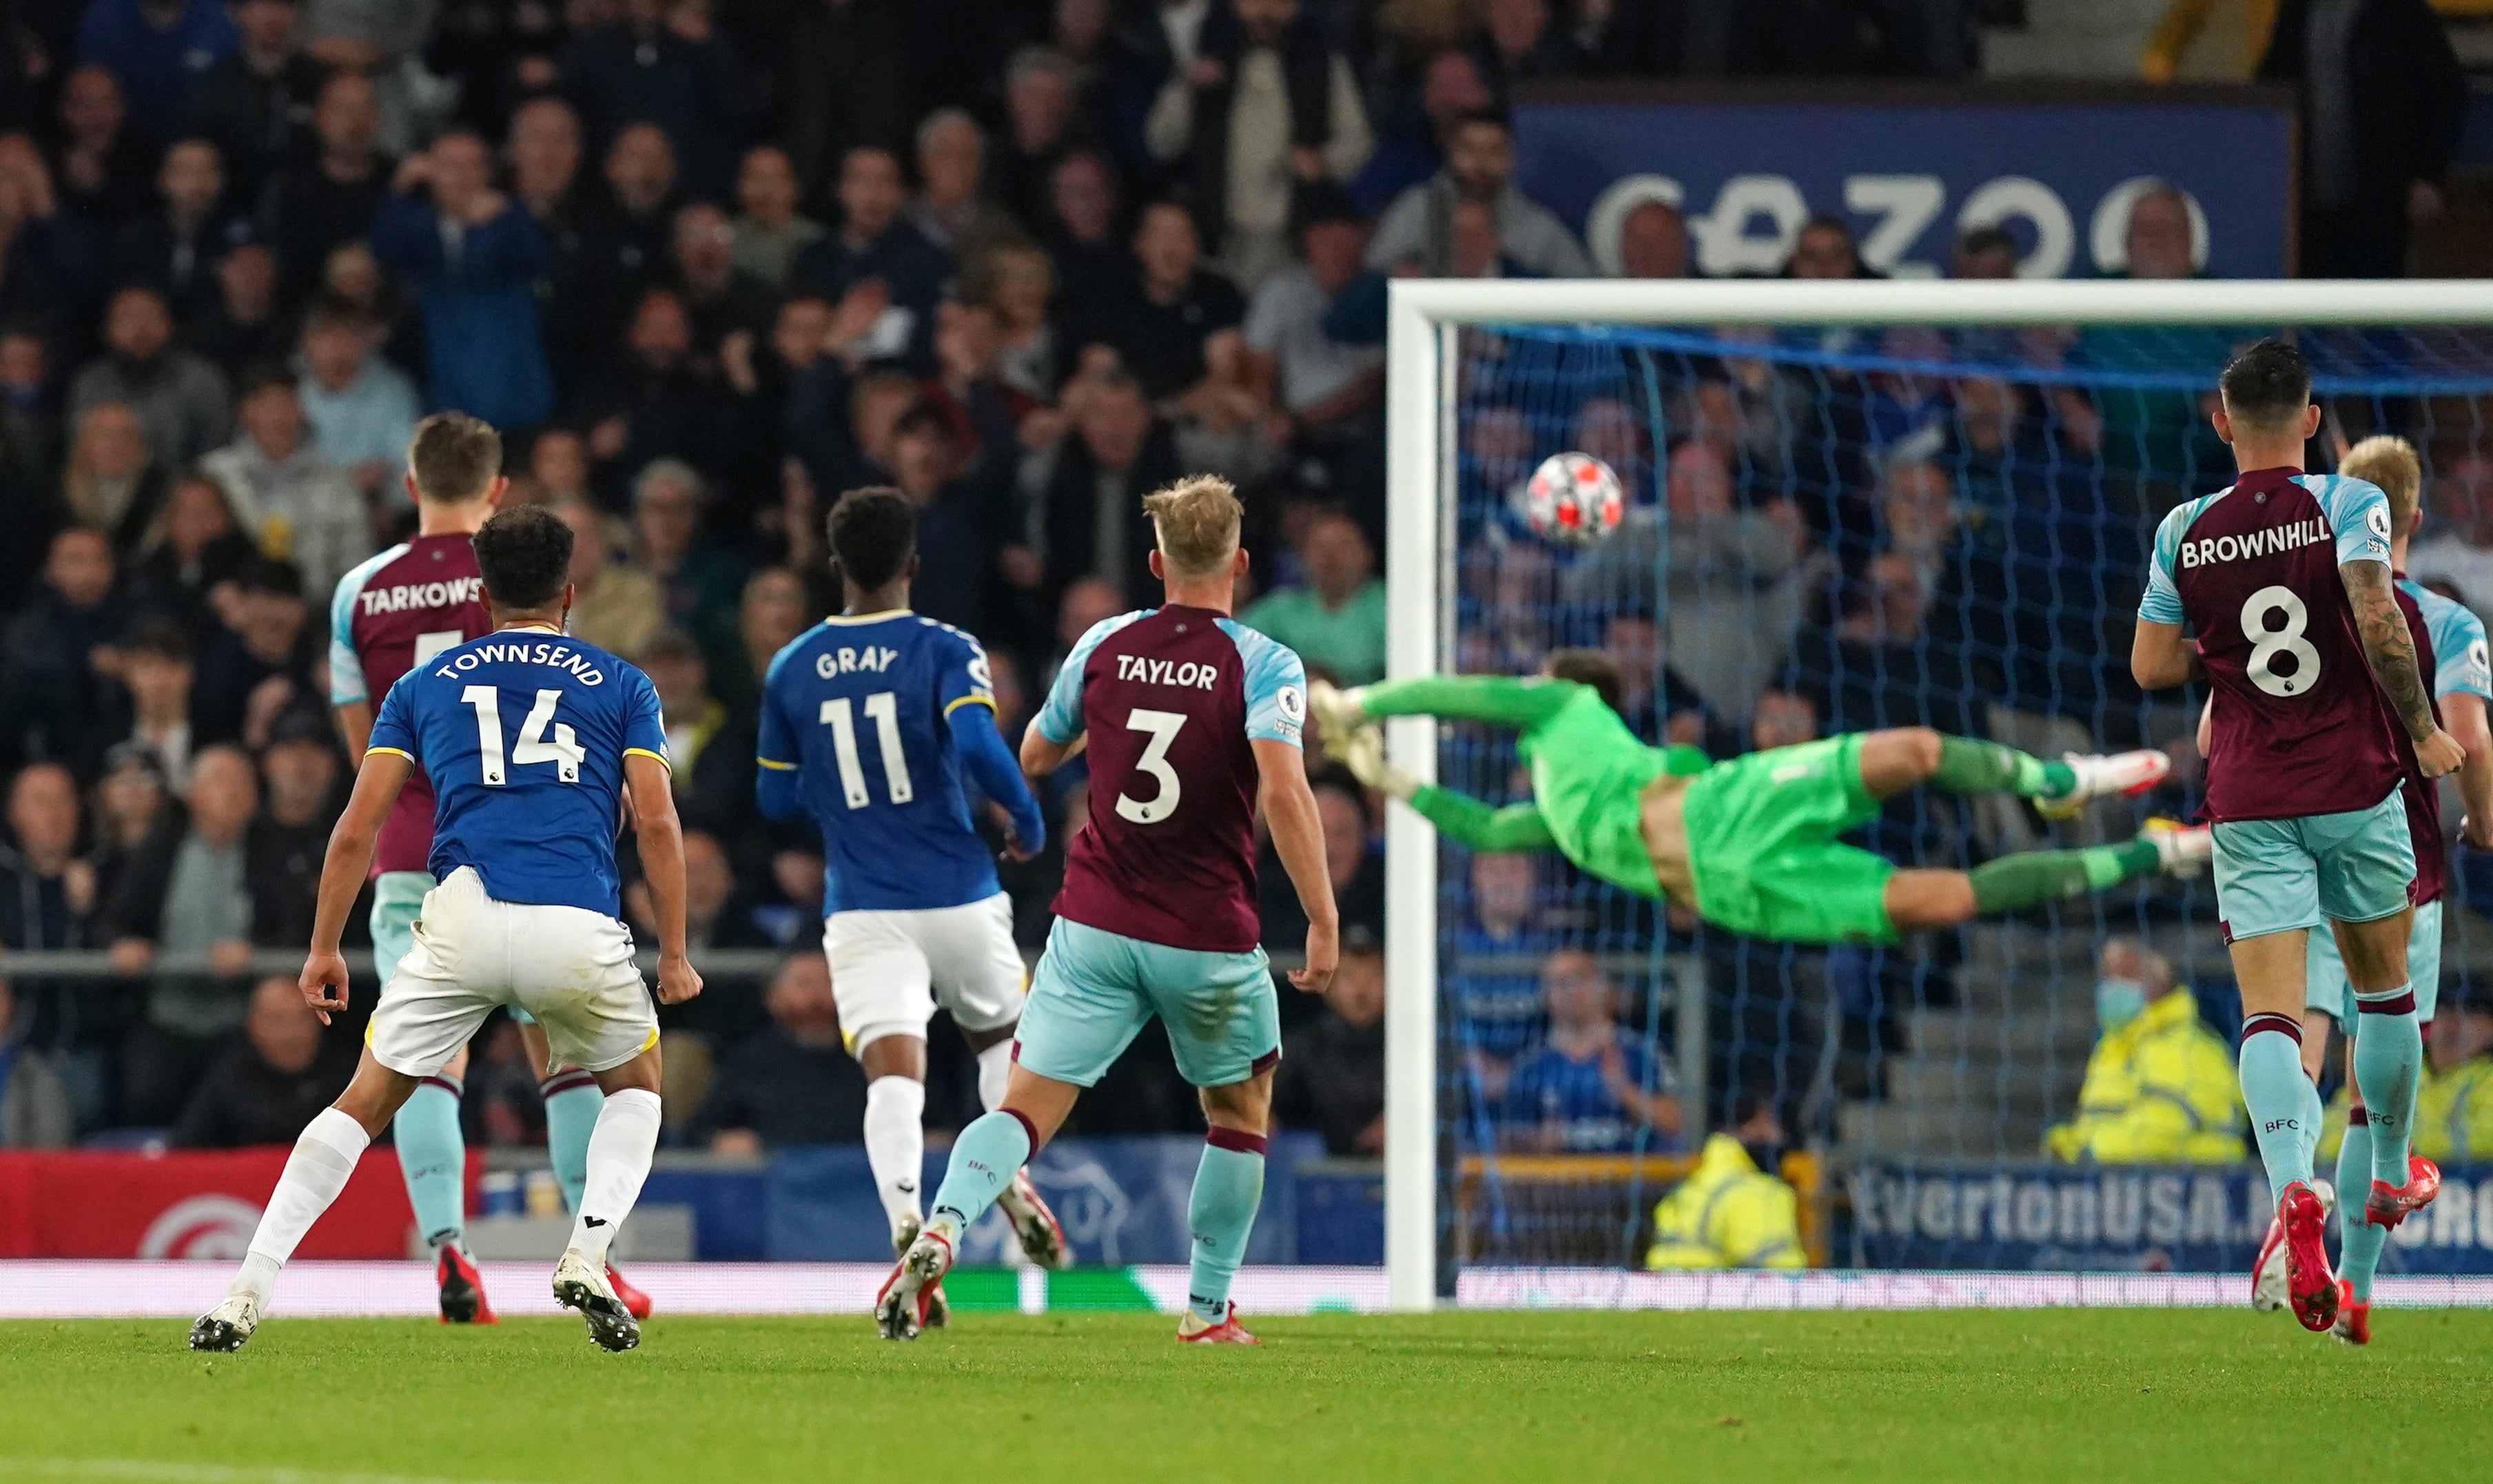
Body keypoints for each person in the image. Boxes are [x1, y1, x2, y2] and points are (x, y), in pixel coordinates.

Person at [189, 503, 702, 1355]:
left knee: (363, 1101)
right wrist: (675, 953)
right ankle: (587, 1250)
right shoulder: (622, 683)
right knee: (638, 1086)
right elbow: (656, 823)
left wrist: (323, 947)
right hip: (575, 922)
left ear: (485, 594)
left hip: (460, 915)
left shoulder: (424, 686)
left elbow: (357, 826)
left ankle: (246, 1289)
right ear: (569, 593)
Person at [880, 475, 1337, 1346]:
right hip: (1205, 934)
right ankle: (1206, 1313)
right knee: (1237, 1115)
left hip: (1093, 923)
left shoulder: (1104, 643)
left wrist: (1111, 726)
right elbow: (1284, 789)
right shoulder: (1266, 662)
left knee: (1023, 1109)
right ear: (1239, 561)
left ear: (1157, 561)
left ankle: (942, 1226)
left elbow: (1038, 753)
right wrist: (1321, 916)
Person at [2131, 338, 2462, 1334]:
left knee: (2270, 1016)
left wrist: (2218, 642)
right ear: (2312, 421)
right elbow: (2375, 613)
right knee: (2382, 992)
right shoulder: (2346, 504)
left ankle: (2292, 1191)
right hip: (2355, 786)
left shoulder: (2182, 527)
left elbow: (2149, 667)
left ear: (2220, 421)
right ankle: (2391, 1167)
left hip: (2249, 794)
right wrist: (2422, 729)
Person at [324, 414, 644, 1326]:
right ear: (498, 488)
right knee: (571, 1055)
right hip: (535, 848)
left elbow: (368, 751)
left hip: (410, 855)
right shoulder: (515, 567)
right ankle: (596, 1260)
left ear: (410, 483)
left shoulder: (361, 589)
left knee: (423, 1058)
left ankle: (447, 1250)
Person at [1318, 653, 2198, 947]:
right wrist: (1392, 781)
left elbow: (1458, 694)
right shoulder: (1552, 809)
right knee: (1948, 899)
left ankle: (2057, 782)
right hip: (1737, 892)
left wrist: (1366, 702)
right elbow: (1482, 827)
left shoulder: (1561, 705)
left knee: (1917, 750)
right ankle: (2157, 851)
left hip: (1724, 812)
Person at [756, 487, 1066, 1291]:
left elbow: (773, 801)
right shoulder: (944, 647)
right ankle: (1003, 1177)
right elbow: (977, 743)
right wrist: (1028, 818)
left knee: (894, 1072)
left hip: (862, 902)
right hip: (958, 888)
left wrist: (833, 797)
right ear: (912, 566)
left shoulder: (792, 667)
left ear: (835, 569)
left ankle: (903, 1212)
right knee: (1002, 1042)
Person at [2246, 434, 2493, 1340]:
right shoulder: (2444, 620)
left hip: (2285, 841)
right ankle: (2352, 1286)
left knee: (2292, 1037)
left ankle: (2289, 1204)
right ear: (2413, 519)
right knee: (2373, 1074)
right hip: (2397, 866)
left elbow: (2208, 728)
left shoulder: (2293, 608)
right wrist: (2485, 816)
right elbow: (2466, 731)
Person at [2043, 938, 2244, 1164]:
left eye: (2127, 974)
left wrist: (2091, 1154)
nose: (2113, 986)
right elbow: (2095, 1124)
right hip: (2124, 1183)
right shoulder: (2114, 1047)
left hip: (2199, 1186)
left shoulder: (2183, 1043)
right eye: (2107, 976)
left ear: (2162, 979)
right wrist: (2065, 1147)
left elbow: (2165, 1125)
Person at [1499, 949, 1676, 1153]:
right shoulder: (1529, 1066)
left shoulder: (1643, 1052)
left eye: (1578, 979)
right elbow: (1506, 1145)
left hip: (1637, 1181)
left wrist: (1625, 1091)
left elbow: (1677, 1123)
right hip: (1556, 1182)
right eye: (1558, 983)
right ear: (1546, 996)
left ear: (1603, 987)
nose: (1570, 991)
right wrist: (1537, 1143)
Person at [167, 973, 350, 1148]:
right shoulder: (230, 1079)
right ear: (252, 1026)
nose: (290, 1034)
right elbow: (185, 1151)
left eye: (302, 1019)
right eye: (276, 1020)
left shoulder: (348, 1079)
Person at [1643, 1094, 1805, 1271]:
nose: (1777, 1134)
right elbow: (1782, 1278)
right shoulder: (1760, 1193)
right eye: (1767, 1122)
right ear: (1750, 1127)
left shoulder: (1687, 1190)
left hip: (1663, 1295)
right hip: (1728, 1298)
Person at [1238, 508, 1386, 684]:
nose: (1330, 556)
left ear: (1368, 554)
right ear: (1302, 556)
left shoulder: (1388, 607)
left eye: (1344, 545)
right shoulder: (1285, 609)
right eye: (1320, 546)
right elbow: (1228, 641)